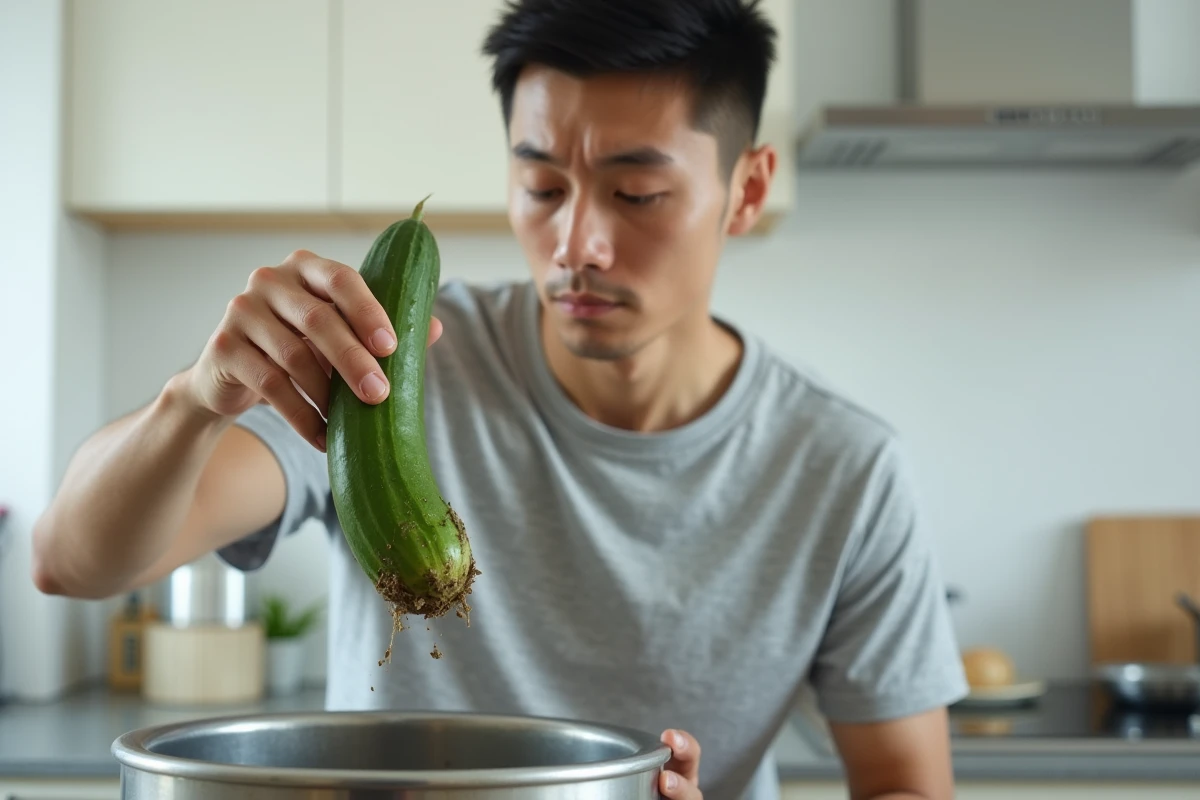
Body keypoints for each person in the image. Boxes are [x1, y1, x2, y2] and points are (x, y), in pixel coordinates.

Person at [31, 1, 968, 798]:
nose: (576, 243)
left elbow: (906, 783)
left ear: (747, 188)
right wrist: (196, 399)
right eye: (541, 184)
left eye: (636, 193)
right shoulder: (390, 359)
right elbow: (70, 559)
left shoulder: (846, 468)